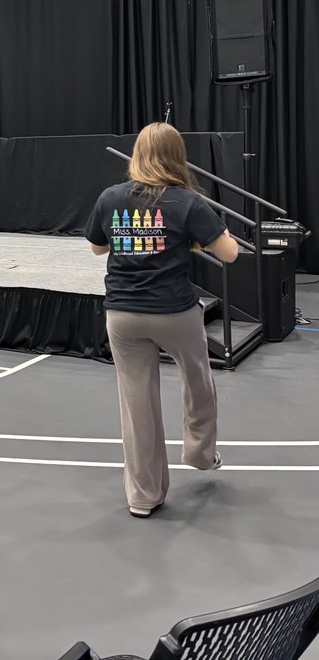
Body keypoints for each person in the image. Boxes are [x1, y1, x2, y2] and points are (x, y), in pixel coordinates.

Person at [85, 122, 239, 519]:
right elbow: (230, 254)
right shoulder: (187, 201)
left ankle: (143, 495)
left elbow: (96, 248)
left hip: (122, 314)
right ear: (177, 156)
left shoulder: (110, 197)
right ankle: (201, 453)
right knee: (198, 378)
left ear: (137, 154)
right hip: (174, 312)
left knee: (136, 403)